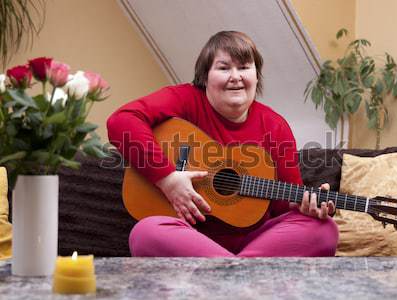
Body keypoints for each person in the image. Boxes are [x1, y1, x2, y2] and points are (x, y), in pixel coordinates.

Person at [107, 31, 338, 257]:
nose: (235, 76)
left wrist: (305, 206)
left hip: (255, 243)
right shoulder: (184, 99)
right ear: (205, 75)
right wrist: (167, 179)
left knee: (324, 229)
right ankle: (241, 275)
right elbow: (121, 121)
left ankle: (225, 273)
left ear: (256, 76)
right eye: (224, 67)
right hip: (187, 237)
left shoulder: (275, 126)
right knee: (145, 233)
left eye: (244, 67)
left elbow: (282, 206)